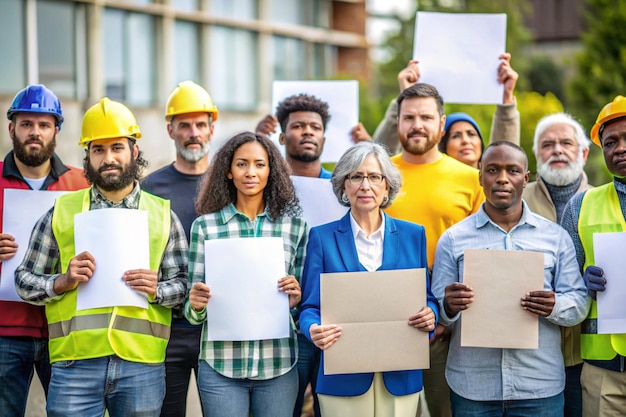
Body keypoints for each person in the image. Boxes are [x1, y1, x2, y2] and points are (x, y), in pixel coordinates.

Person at [15, 97, 188, 417]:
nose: (108, 158)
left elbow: (185, 287)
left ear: (134, 151)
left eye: (117, 148)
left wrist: (158, 289)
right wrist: (62, 282)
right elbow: (24, 280)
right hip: (74, 366)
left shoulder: (162, 216)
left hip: (142, 367)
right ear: (87, 157)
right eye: (98, 149)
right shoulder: (62, 212)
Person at [432, 141, 590, 416]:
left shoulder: (555, 237)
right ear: (480, 176)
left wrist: (554, 306)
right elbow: (436, 311)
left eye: (513, 171)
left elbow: (579, 302)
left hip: (539, 386)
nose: (502, 178)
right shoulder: (454, 239)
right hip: (473, 388)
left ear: (526, 178)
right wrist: (448, 306)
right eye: (492, 170)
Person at [299, 141, 438, 417]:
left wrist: (431, 316)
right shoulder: (322, 238)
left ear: (387, 186)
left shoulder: (414, 235)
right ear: (343, 186)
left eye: (375, 177)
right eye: (356, 176)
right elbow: (309, 308)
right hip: (342, 377)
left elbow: (428, 299)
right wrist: (313, 329)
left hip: (400, 376)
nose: (365, 185)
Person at [184, 132, 307, 417]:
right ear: (228, 171)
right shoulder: (205, 228)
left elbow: (303, 305)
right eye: (241, 164)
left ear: (270, 171)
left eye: (259, 164)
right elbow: (191, 313)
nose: (251, 172)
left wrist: (295, 299)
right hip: (220, 365)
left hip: (278, 363)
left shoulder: (295, 228)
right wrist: (197, 303)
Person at [383, 82, 484, 417]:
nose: (417, 125)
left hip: (450, 326)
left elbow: (481, 252)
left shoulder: (471, 179)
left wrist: (446, 315)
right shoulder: (377, 175)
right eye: (408, 117)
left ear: (442, 124)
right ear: (397, 123)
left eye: (426, 117)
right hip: (387, 319)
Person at [0, 84, 89, 416]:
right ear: (12, 128)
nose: (34, 132)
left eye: (43, 124)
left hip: (64, 331)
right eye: (26, 124)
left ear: (56, 130)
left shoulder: (82, 184)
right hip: (5, 331)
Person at [141, 80, 218, 417]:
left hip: (216, 327)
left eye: (200, 124)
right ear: (170, 129)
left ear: (212, 129)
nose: (193, 133)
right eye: (184, 125)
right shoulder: (150, 187)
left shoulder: (228, 182)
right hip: (165, 327)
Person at [522, 112, 592, 417]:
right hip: (529, 355)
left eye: (566, 143)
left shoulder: (603, 201)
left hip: (589, 357)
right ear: (537, 154)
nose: (557, 150)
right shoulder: (516, 201)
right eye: (547, 144)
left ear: (584, 153)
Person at [561, 95, 626, 416]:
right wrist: (580, 282)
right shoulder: (580, 205)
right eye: (611, 142)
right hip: (605, 368)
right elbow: (562, 285)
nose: (620, 148)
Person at [372, 53, 520, 156]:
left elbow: (503, 155)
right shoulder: (398, 175)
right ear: (442, 137)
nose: (465, 141)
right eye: (455, 136)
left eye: (471, 134)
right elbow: (382, 156)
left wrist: (506, 98)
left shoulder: (481, 184)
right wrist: (408, 95)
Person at [255, 93, 372, 179]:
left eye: (316, 127)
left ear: (323, 140)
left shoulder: (341, 187)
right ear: (282, 138)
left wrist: (370, 149)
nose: (308, 132)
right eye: (297, 126)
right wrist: (257, 140)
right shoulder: (265, 184)